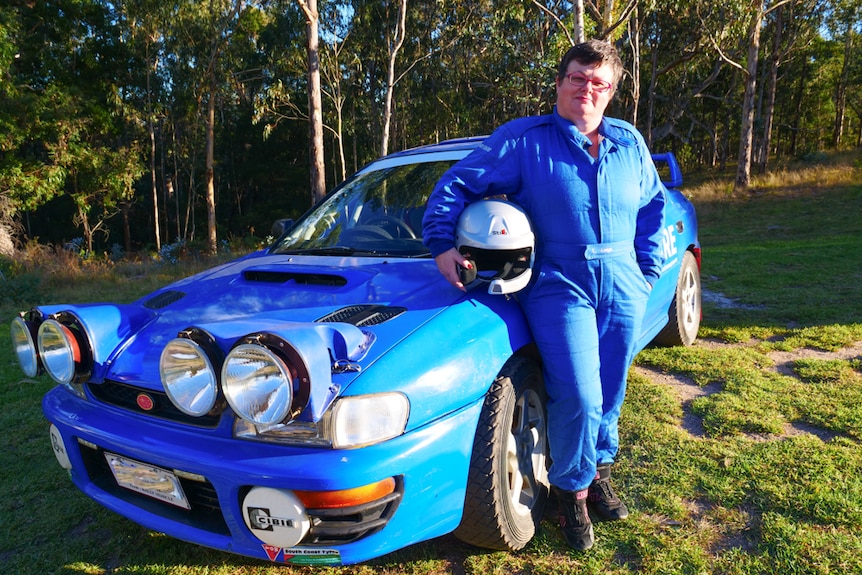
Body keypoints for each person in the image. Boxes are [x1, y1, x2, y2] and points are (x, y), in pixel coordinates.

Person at [422, 39, 667, 551]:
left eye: (598, 82)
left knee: (610, 384)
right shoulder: (523, 140)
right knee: (578, 392)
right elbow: (455, 184)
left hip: (622, 278)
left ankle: (597, 467)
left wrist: (645, 270)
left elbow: (653, 206)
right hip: (560, 282)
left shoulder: (629, 142)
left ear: (612, 90)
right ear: (559, 83)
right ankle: (571, 494)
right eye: (577, 78)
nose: (587, 90)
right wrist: (442, 242)